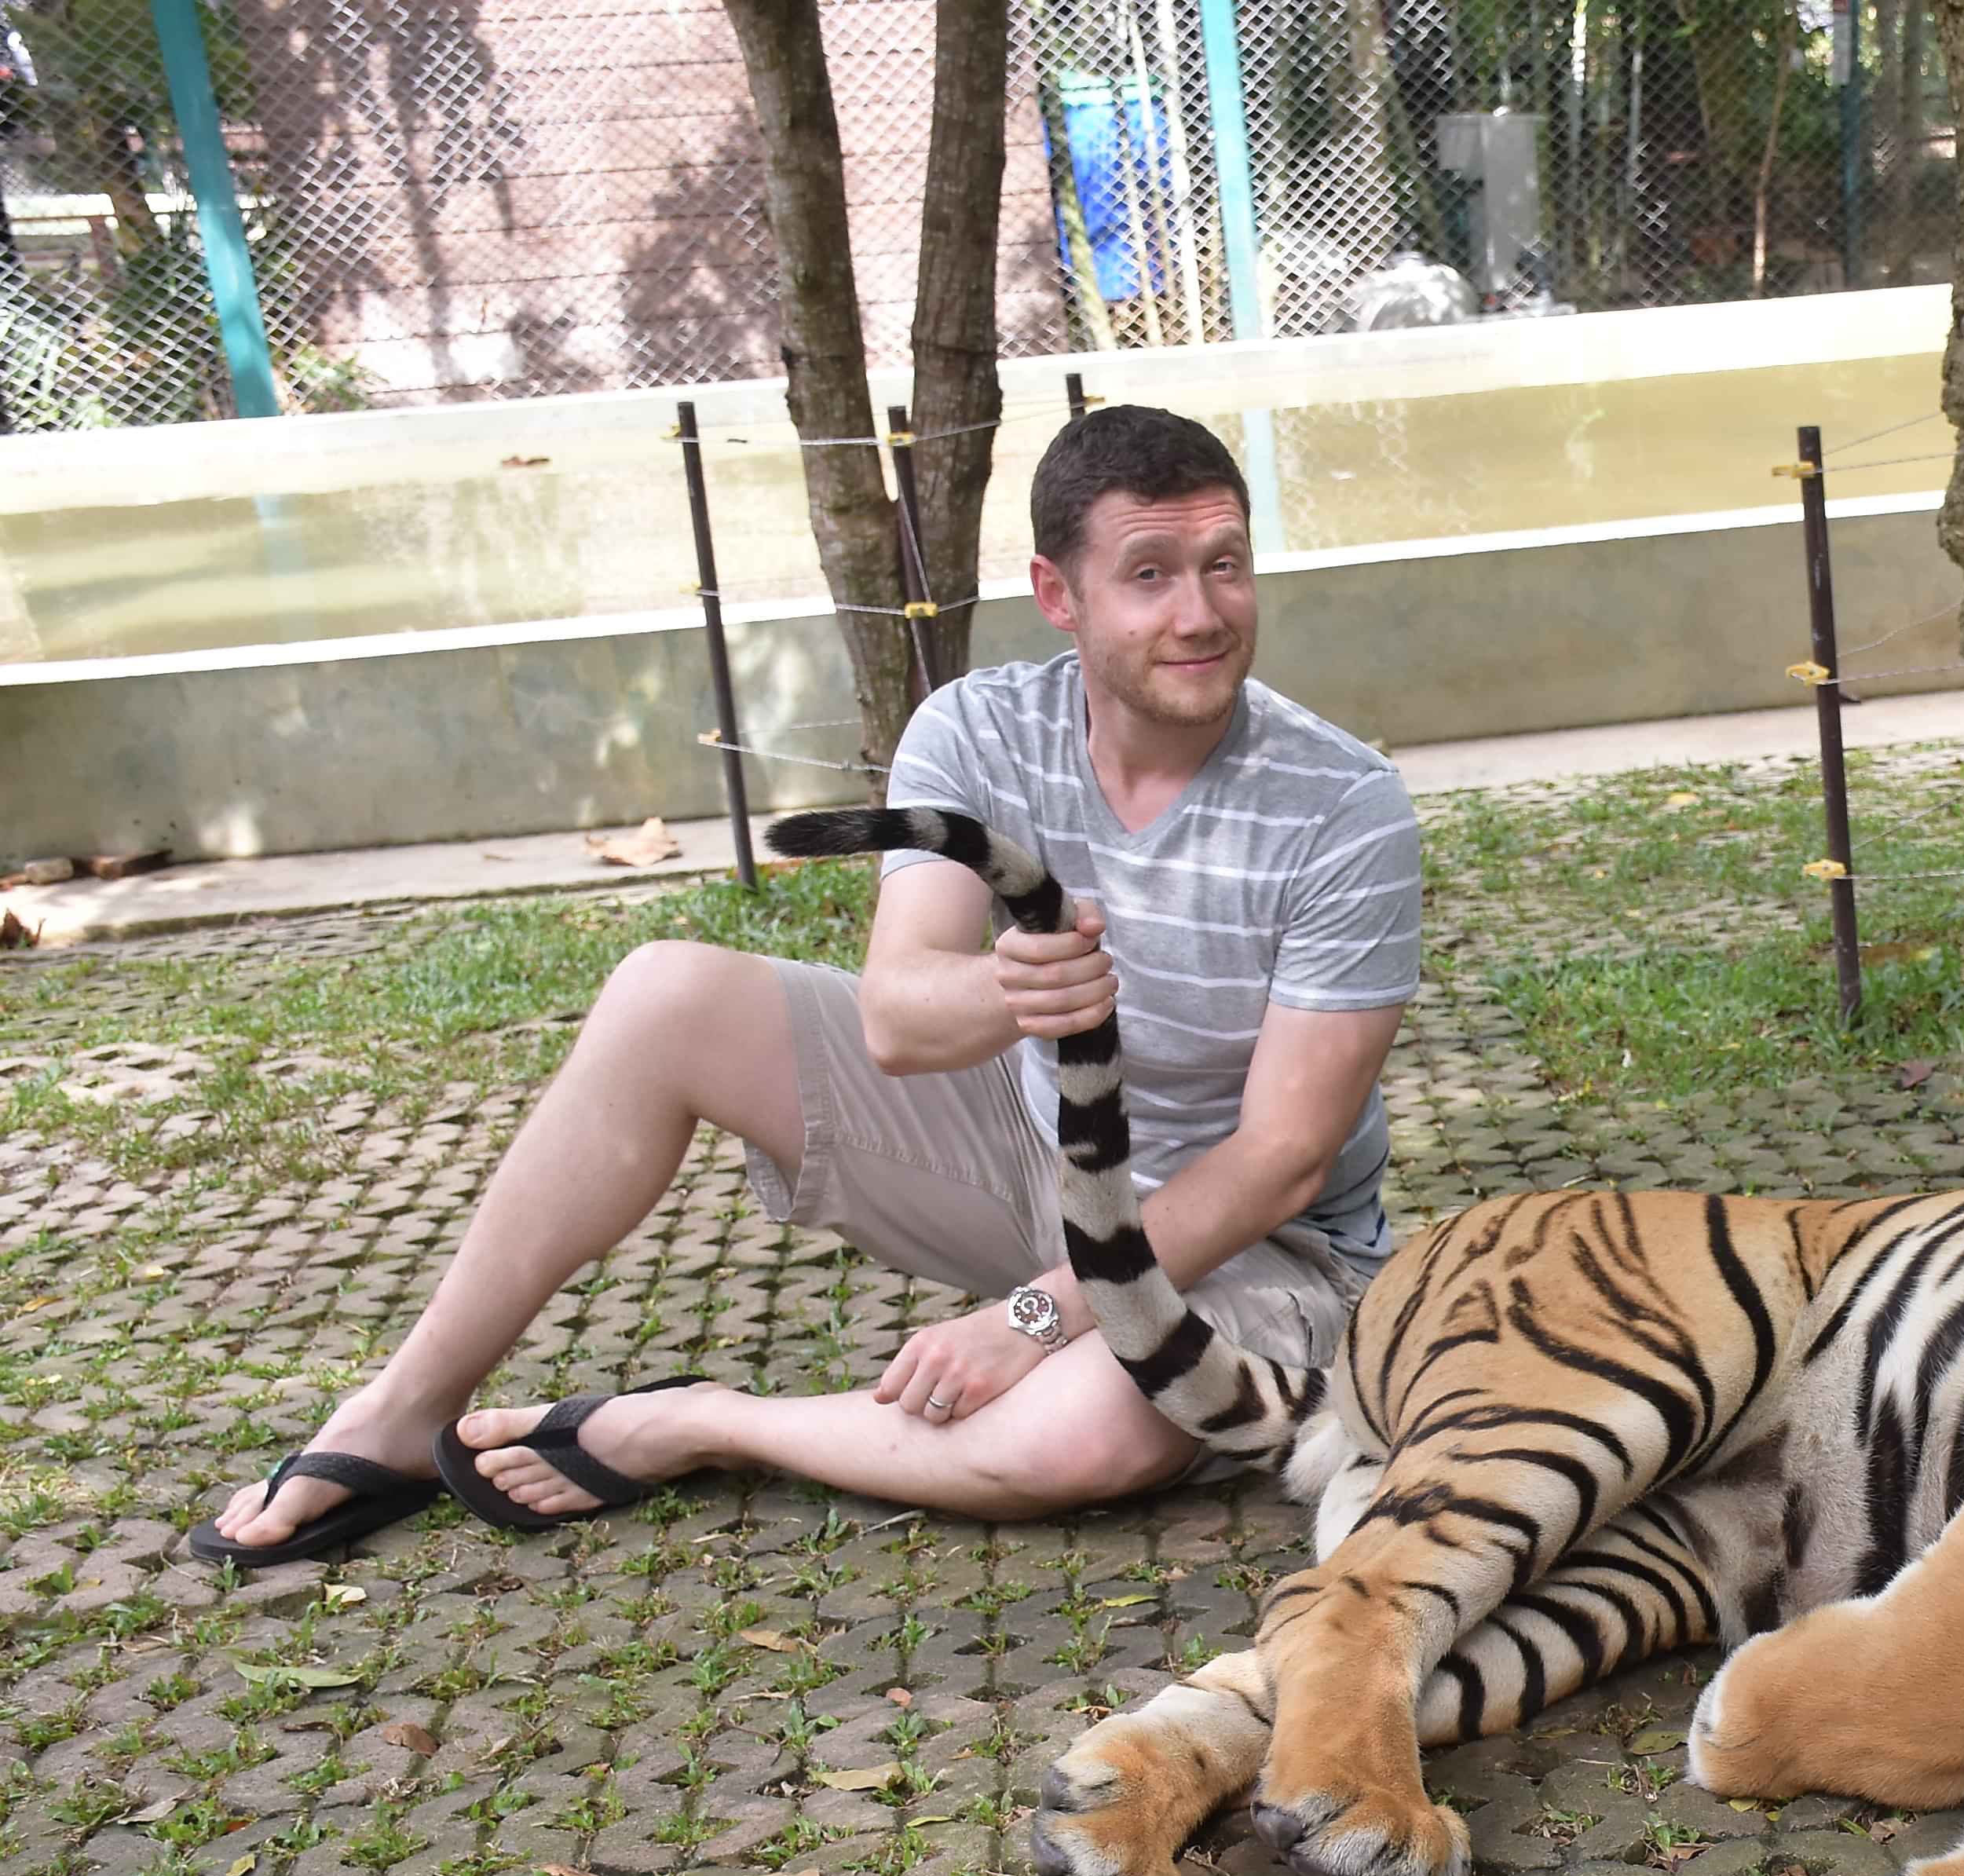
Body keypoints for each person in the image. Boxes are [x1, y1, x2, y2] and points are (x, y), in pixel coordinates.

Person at [195, 406, 1421, 1563]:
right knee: (665, 991)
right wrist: (1017, 991)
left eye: (1226, 564)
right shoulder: (979, 730)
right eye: (1151, 574)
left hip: (1266, 1252)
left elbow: (1285, 1161)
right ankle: (405, 1408)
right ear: (1060, 596)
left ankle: (701, 1423)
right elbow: (898, 1018)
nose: (1203, 612)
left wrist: (1032, 1320)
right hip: (1043, 1152)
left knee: (1080, 1436)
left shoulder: (1343, 805)